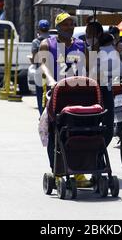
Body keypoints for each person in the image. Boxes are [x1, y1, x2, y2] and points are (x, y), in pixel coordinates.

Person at [38, 13, 89, 187]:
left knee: (78, 132)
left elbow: (88, 68)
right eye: (65, 24)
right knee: (56, 133)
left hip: (78, 95)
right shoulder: (47, 44)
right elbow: (43, 64)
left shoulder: (81, 45)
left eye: (71, 24)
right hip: (56, 94)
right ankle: (58, 171)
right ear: (58, 27)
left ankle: (79, 173)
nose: (69, 27)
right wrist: (51, 79)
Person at [86, 22, 122, 149]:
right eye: (87, 34)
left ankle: (100, 150)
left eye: (91, 34)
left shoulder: (109, 50)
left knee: (108, 126)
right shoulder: (86, 50)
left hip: (105, 89)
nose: (88, 36)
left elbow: (119, 70)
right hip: (88, 91)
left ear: (99, 34)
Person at [31, 19, 51, 116]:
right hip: (51, 73)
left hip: (40, 72)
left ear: (38, 29)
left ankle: (42, 115)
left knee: (40, 96)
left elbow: (35, 59)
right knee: (50, 95)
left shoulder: (36, 42)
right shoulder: (52, 41)